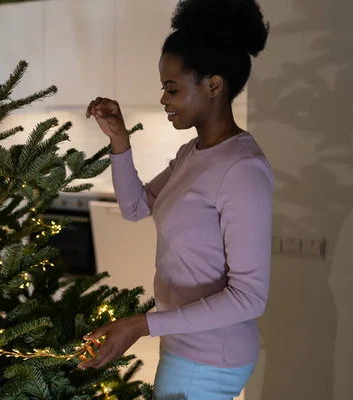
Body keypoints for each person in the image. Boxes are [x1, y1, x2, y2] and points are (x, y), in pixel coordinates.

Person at [78, 0, 272, 399]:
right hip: (188, 348)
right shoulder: (193, 154)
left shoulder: (242, 169)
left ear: (213, 85)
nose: (164, 100)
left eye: (172, 88)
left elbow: (249, 298)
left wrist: (140, 324)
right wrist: (119, 140)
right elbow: (135, 208)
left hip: (209, 359)